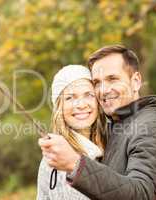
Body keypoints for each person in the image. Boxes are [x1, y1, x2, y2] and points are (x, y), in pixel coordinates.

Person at [39, 45, 156, 200]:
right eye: (97, 83)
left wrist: (75, 164)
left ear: (135, 81)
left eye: (112, 79)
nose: (103, 90)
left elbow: (141, 193)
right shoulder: (116, 128)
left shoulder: (152, 128)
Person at [37, 65, 107, 200]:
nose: (81, 105)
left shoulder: (113, 145)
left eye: (88, 95)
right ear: (59, 107)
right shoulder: (53, 158)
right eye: (70, 98)